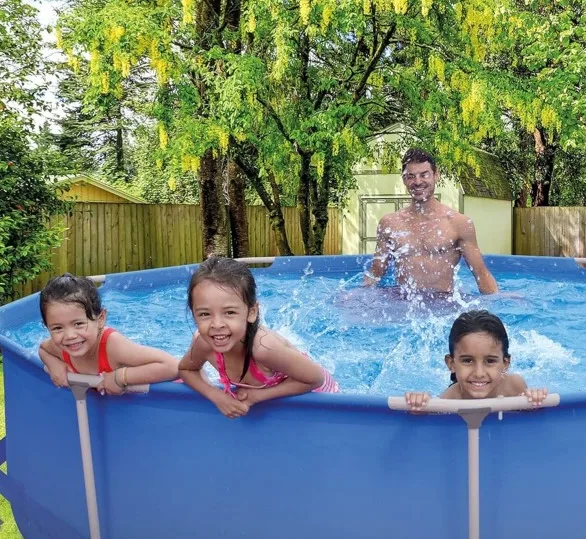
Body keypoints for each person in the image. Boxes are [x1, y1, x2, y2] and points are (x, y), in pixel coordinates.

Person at [179, 255, 339, 419]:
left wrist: (256, 397)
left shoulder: (264, 349)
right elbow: (186, 369)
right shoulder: (204, 344)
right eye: (205, 314)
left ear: (252, 312)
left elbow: (315, 379)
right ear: (194, 315)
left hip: (317, 392)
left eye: (230, 312)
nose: (217, 324)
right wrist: (217, 396)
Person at [363, 147, 499, 298]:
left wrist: (498, 305)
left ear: (436, 175)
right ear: (404, 179)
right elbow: (376, 273)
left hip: (443, 306)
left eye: (424, 175)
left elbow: (481, 274)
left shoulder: (458, 224)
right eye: (411, 176)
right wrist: (358, 297)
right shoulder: (389, 223)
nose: (417, 182)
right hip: (403, 305)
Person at [38, 273, 178, 393]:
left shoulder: (113, 346)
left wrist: (121, 377)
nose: (69, 336)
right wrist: (53, 364)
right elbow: (43, 349)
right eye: (57, 328)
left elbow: (172, 366)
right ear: (47, 326)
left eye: (79, 324)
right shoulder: (60, 346)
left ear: (100, 319)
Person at [404, 309, 548, 411]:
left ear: (505, 363)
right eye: (467, 361)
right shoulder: (447, 401)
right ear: (451, 363)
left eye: (490, 361)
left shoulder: (514, 386)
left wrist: (534, 399)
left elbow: (533, 418)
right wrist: (419, 404)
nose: (479, 373)